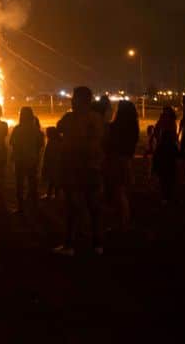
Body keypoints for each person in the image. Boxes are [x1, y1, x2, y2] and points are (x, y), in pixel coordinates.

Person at [54, 86, 105, 256]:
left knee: (72, 207)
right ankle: (97, 244)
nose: (71, 100)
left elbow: (58, 128)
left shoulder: (71, 118)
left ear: (79, 100)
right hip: (93, 168)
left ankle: (70, 245)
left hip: (75, 169)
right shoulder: (97, 118)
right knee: (93, 207)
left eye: (74, 98)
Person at [104, 100, 139, 231]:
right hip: (127, 160)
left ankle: (121, 222)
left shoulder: (114, 127)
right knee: (122, 191)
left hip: (116, 160)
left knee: (117, 192)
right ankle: (123, 220)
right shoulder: (133, 126)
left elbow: (108, 143)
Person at [10, 107, 44, 213]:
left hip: (20, 160)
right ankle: (34, 205)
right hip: (32, 159)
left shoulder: (17, 129)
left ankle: (21, 207)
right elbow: (40, 144)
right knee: (32, 182)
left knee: (19, 183)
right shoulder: (35, 130)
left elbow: (12, 142)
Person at [153, 114, 179, 204]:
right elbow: (177, 155)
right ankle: (169, 196)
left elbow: (156, 157)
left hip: (163, 167)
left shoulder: (160, 146)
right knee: (169, 182)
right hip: (170, 167)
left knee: (164, 182)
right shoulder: (172, 146)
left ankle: (165, 197)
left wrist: (154, 168)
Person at [41, 127, 62, 200]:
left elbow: (48, 154)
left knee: (53, 179)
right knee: (54, 179)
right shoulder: (58, 141)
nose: (46, 134)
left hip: (53, 163)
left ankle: (52, 194)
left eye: (47, 133)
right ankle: (53, 194)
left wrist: (46, 164)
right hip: (57, 163)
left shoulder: (52, 142)